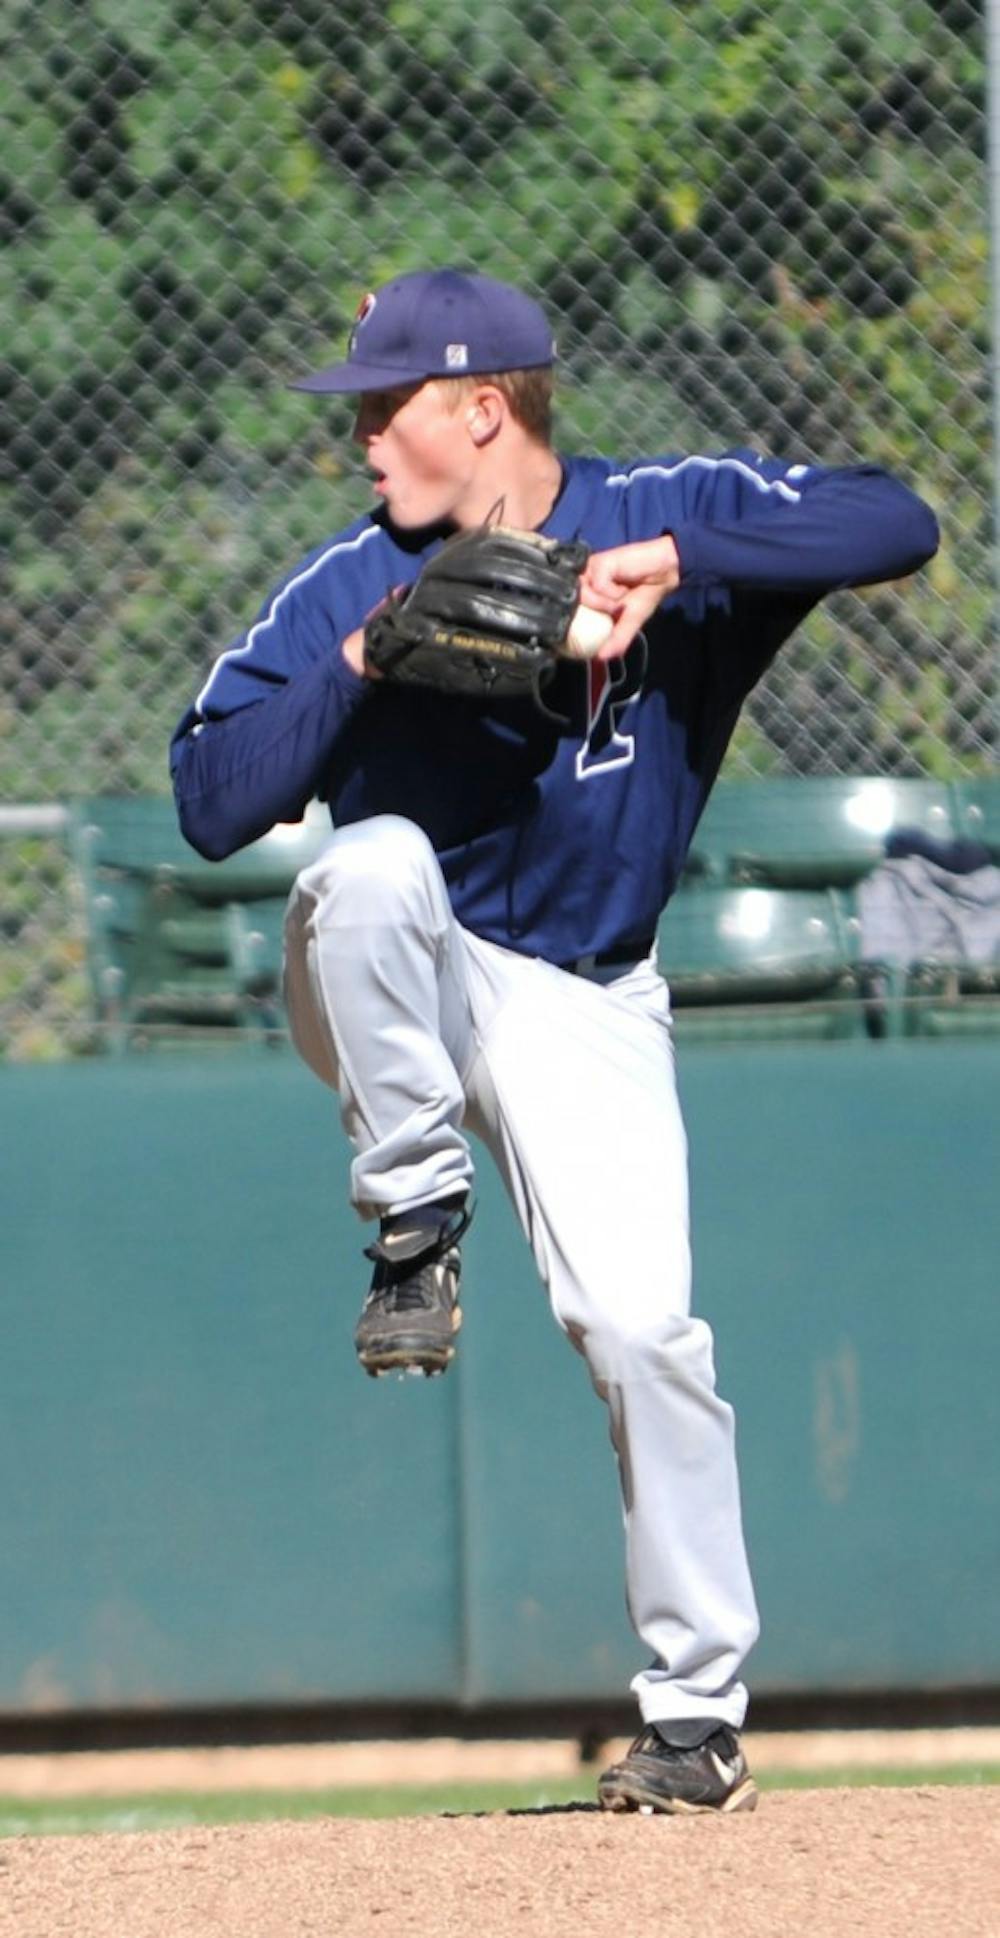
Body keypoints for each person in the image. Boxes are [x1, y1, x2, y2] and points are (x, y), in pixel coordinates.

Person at [170, 267, 939, 1814]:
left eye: (387, 408)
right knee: (367, 861)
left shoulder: (664, 509)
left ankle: (695, 1718)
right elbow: (207, 800)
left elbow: (893, 521)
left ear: (483, 405)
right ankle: (412, 1215)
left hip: (588, 990)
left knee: (649, 1333)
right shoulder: (346, 583)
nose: (365, 440)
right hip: (413, 977)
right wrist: (368, 661)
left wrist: (681, 559)